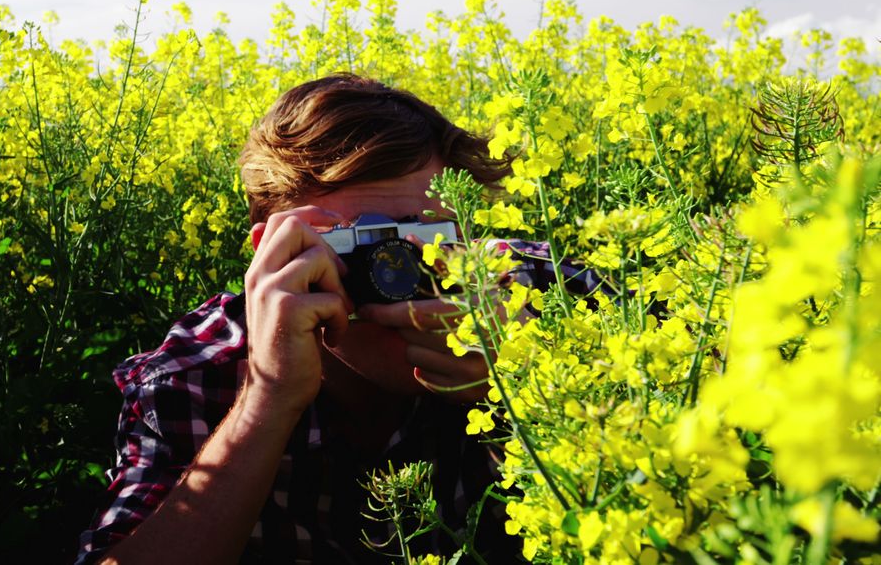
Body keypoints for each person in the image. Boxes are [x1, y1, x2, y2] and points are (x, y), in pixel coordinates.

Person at [75, 73, 603, 564]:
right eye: (363, 247)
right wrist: (266, 399)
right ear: (270, 255)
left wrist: (528, 391)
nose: (399, 275)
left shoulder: (553, 297)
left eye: (428, 241)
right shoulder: (199, 371)